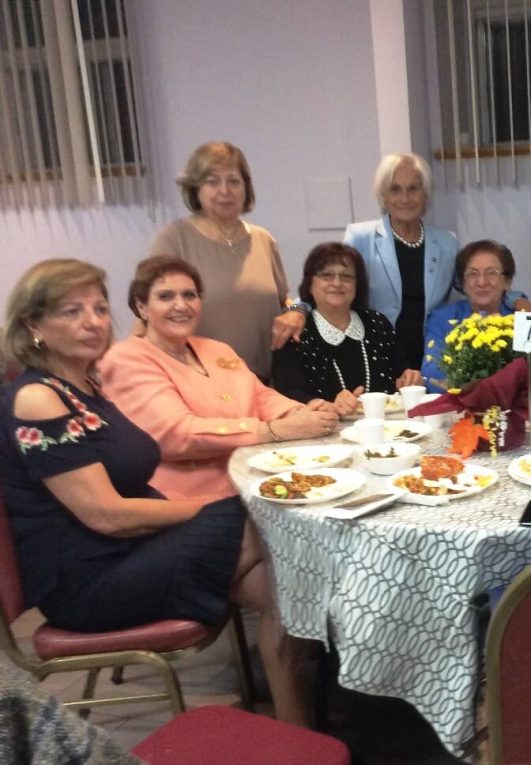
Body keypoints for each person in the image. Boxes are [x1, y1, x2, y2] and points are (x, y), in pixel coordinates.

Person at [0, 259, 312, 726]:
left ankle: (296, 730)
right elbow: (106, 515)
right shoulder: (39, 399)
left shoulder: (85, 384)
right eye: (72, 311)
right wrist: (213, 509)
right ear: (33, 324)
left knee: (282, 589)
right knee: (271, 518)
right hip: (88, 581)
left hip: (130, 551)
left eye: (99, 308)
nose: (92, 321)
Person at [99, 256, 339, 502]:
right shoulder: (127, 358)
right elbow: (177, 435)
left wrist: (303, 413)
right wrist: (273, 430)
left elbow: (260, 396)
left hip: (257, 480)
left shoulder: (217, 349)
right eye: (166, 296)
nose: (181, 305)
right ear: (141, 307)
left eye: (189, 295)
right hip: (192, 500)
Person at [343, 153, 531, 370]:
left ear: (425, 194)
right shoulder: (360, 237)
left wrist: (516, 300)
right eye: (395, 189)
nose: (405, 198)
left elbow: (473, 282)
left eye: (413, 189)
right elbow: (336, 289)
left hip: (429, 350)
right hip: (374, 353)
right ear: (383, 196)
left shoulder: (447, 242)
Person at [150, 141, 305, 380]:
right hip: (201, 382)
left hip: (264, 383)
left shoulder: (263, 240)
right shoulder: (175, 239)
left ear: (246, 187)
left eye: (234, 181)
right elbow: (149, 311)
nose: (225, 191)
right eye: (213, 182)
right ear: (196, 189)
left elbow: (282, 300)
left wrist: (297, 311)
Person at [272, 243, 422, 413]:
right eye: (327, 275)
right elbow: (286, 394)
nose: (337, 283)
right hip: (325, 425)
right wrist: (324, 404)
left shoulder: (377, 323)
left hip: (388, 423)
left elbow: (401, 373)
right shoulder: (295, 331)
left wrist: (409, 378)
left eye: (346, 276)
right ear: (310, 284)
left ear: (357, 285)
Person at [421, 240, 531, 392]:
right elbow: (432, 374)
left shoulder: (525, 317)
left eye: (491, 273)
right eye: (473, 273)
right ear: (463, 283)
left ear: (507, 282)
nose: (481, 282)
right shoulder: (442, 318)